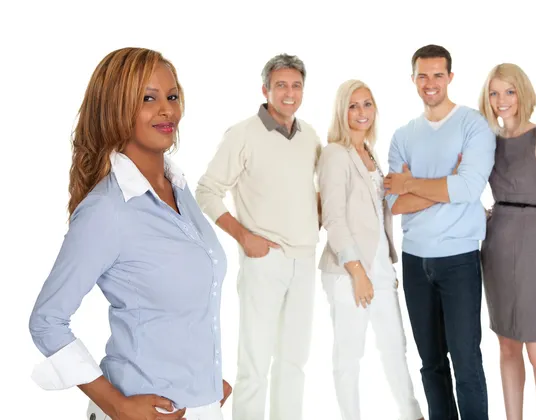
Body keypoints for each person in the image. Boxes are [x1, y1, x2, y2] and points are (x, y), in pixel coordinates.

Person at [28, 47, 230, 420]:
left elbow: (183, 303)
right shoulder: (108, 210)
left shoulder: (180, 187)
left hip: (202, 406)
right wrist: (117, 404)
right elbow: (47, 320)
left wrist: (208, 382)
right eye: (148, 99)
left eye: (172, 97)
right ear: (116, 109)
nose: (167, 109)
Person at [195, 53, 322, 420]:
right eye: (281, 85)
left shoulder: (309, 135)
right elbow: (207, 190)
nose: (289, 92)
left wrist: (315, 213)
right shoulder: (243, 134)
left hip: (305, 259)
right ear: (265, 89)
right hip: (264, 260)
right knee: (254, 364)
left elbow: (307, 185)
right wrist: (243, 236)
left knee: (294, 362)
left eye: (296, 85)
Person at [383, 44, 495, 420]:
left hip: (459, 260)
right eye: (422, 76)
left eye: (437, 75)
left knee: (466, 361)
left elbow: (468, 189)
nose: (430, 83)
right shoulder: (403, 135)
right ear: (413, 79)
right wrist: (446, 182)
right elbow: (393, 205)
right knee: (430, 363)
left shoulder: (472, 124)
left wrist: (411, 183)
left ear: (450, 77)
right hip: (415, 261)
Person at [317, 79, 424, 420]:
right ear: (341, 111)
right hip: (349, 272)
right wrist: (358, 272)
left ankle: (412, 414)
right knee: (349, 356)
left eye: (367, 104)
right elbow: (333, 218)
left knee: (396, 347)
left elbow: (380, 212)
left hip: (379, 270)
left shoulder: (371, 155)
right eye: (353, 105)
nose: (361, 112)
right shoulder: (335, 154)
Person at [479, 63, 536, 420]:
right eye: (495, 92)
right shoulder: (486, 141)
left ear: (522, 93)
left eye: (509, 91)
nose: (502, 100)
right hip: (496, 245)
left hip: (531, 245)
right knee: (506, 345)